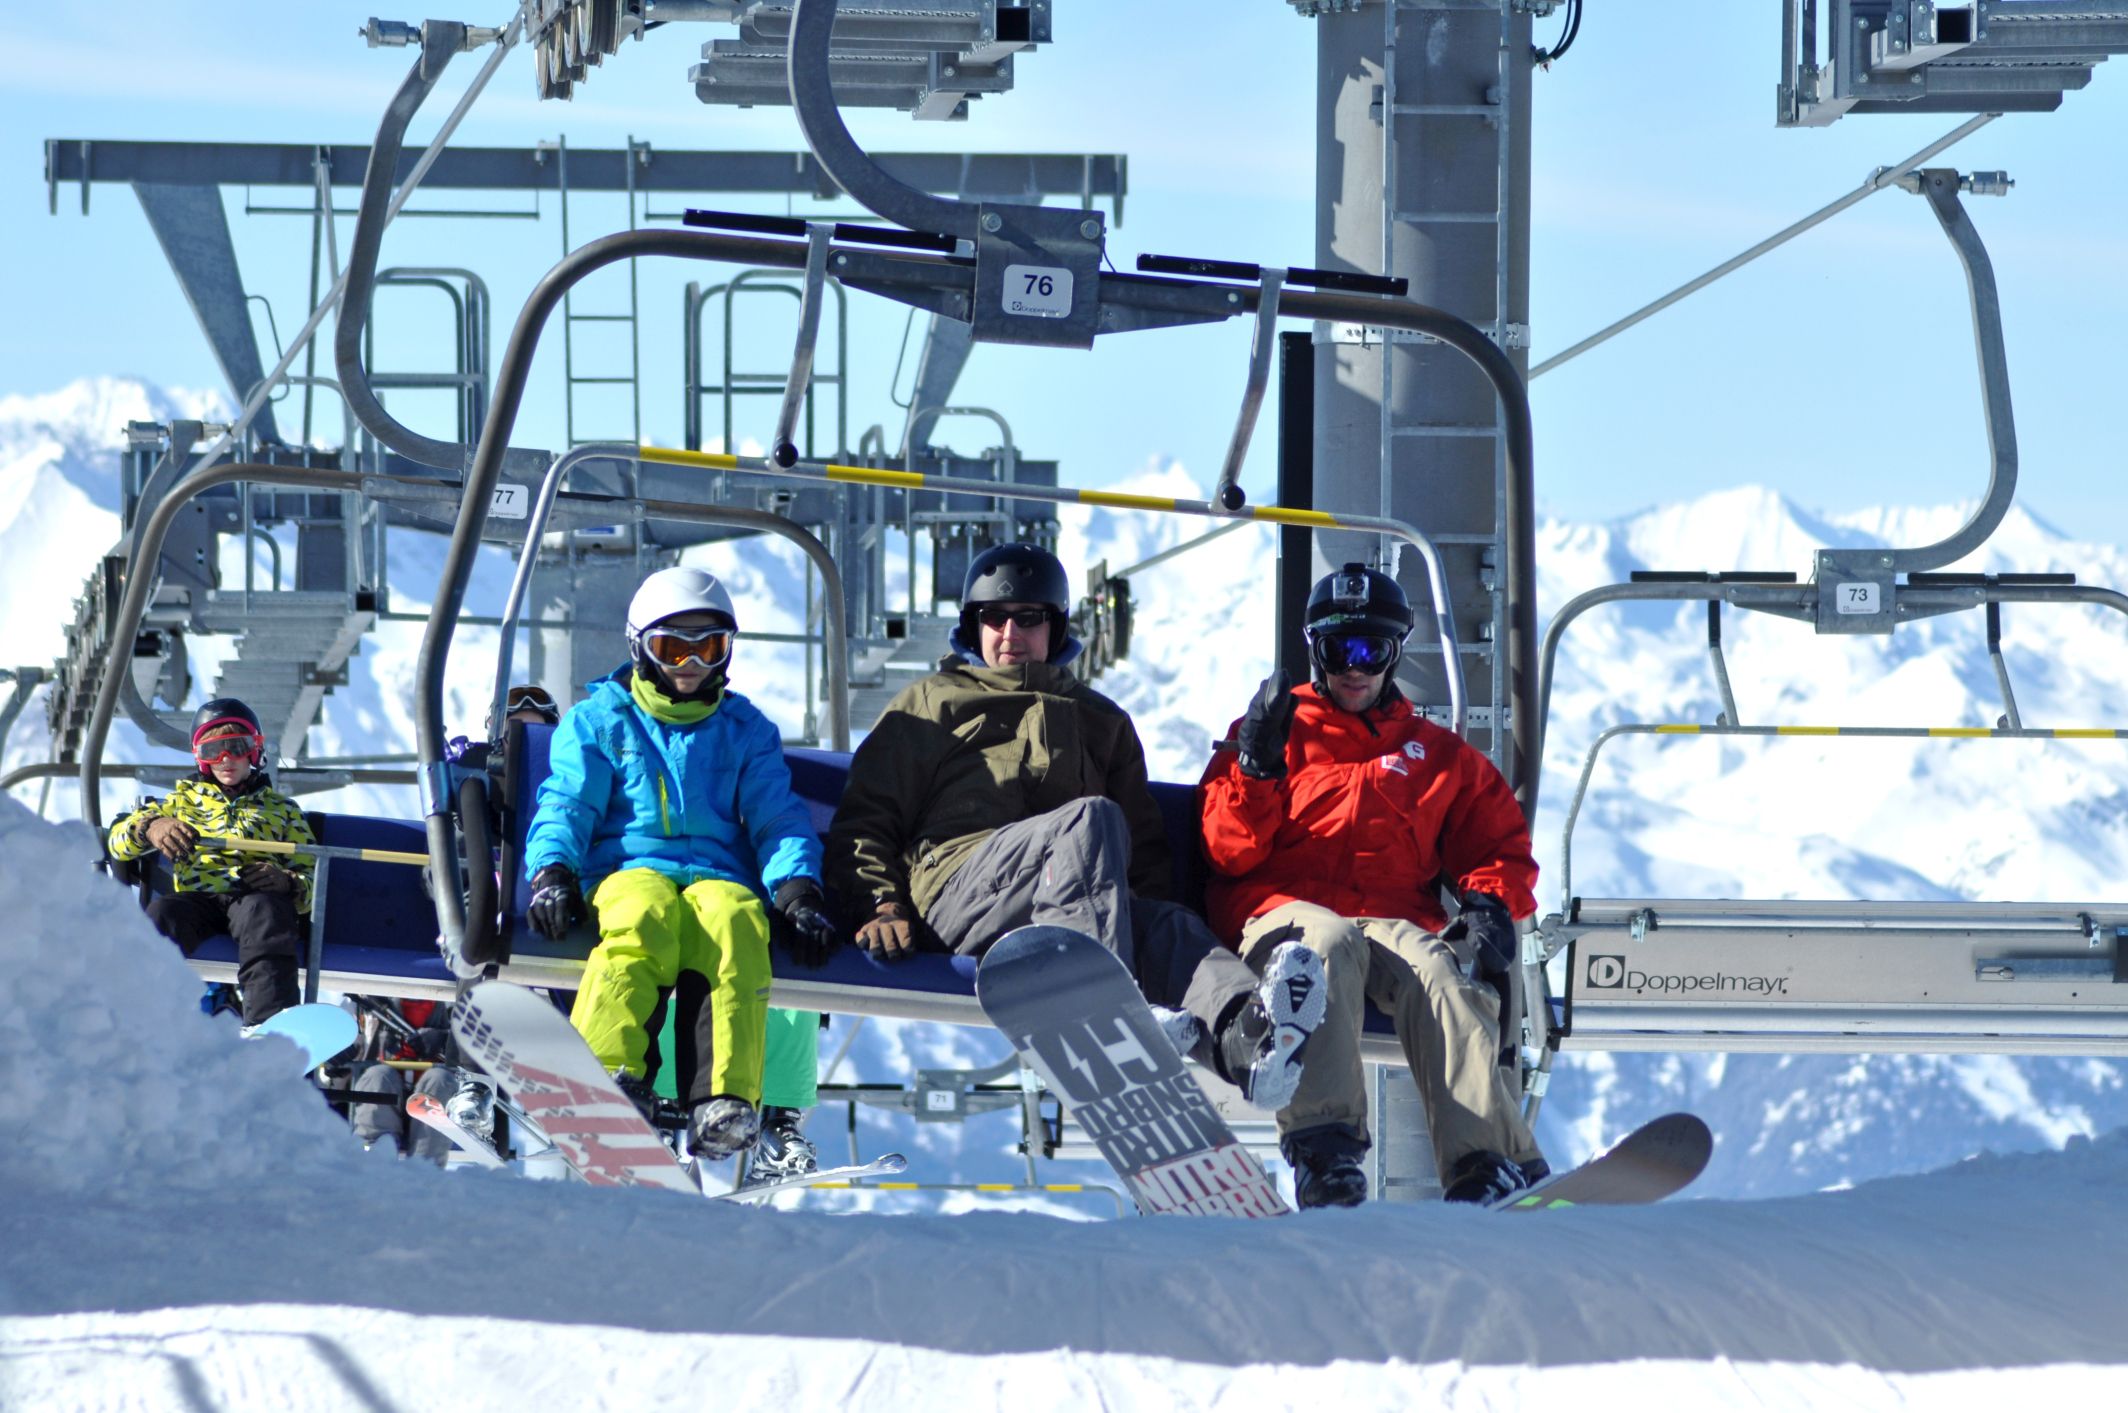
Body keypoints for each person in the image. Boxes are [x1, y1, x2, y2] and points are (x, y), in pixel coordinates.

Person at [827, 542, 1324, 1110]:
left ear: (1054, 627)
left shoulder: (1102, 720)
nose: (1009, 631)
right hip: (960, 890)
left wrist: (1151, 930)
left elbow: (1145, 857)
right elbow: (866, 816)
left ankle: (1246, 1036)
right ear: (973, 626)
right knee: (1089, 819)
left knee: (1166, 924)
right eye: (993, 617)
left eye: (1028, 618)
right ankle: (1106, 1018)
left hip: (1071, 905)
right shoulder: (932, 703)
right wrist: (878, 906)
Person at [1199, 562, 1550, 1208]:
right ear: (1316, 651)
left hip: (1388, 918)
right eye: (1339, 650)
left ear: (1395, 654)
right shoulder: (1279, 732)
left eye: (1372, 650)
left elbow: (1496, 840)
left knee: (1442, 973)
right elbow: (1226, 849)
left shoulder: (1432, 754)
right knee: (1325, 945)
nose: (1354, 668)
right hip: (1281, 913)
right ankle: (1324, 1150)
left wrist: (1489, 901)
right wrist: (1255, 767)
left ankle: (1486, 1163)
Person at [521, 567, 840, 1161]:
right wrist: (552, 872)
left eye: (709, 647)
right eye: (673, 648)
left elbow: (777, 819)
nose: (691, 663)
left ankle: (721, 1098)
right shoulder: (600, 721)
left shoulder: (745, 730)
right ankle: (605, 1074)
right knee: (645, 917)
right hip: (627, 870)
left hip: (719, 876)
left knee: (737, 920)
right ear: (641, 647)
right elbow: (567, 803)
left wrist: (798, 892)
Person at [107, 698, 316, 1028]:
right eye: (212, 750)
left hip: (253, 896)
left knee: (268, 914)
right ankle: (141, 1019)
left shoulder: (282, 810)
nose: (225, 759)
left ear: (255, 750)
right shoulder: (180, 802)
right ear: (199, 758)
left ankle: (269, 1027)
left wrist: (288, 882)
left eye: (236, 746)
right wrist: (151, 826)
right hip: (198, 899)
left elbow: (314, 877)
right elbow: (118, 842)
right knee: (163, 915)